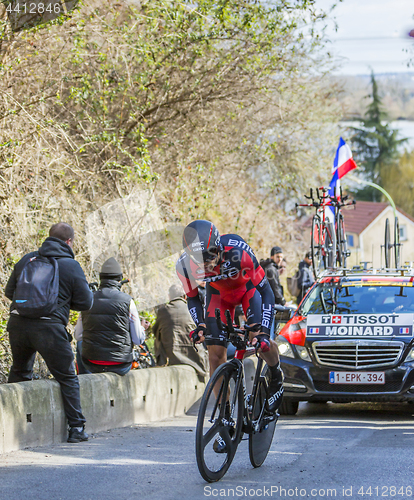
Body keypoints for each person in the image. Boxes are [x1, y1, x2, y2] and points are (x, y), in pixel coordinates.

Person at [176, 220, 284, 452]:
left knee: (260, 341)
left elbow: (266, 292)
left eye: (212, 255)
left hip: (248, 292)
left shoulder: (239, 252)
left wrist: (263, 331)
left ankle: (276, 374)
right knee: (215, 354)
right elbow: (193, 298)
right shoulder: (184, 266)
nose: (208, 263)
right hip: (219, 298)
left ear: (219, 246)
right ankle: (226, 418)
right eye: (201, 260)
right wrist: (201, 325)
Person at [5, 222, 93, 443]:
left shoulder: (28, 259)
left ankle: (9, 422)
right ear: (69, 242)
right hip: (49, 328)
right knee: (67, 377)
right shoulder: (71, 266)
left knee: (20, 371)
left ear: (49, 237)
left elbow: (9, 292)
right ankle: (76, 429)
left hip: (18, 324)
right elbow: (85, 302)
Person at [74, 257, 146, 376]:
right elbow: (138, 339)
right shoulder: (128, 301)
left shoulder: (88, 299)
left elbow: (78, 335)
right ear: (119, 279)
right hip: (120, 365)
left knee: (80, 343)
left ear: (101, 278)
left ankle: (83, 380)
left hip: (91, 363)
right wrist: (142, 328)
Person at [153, 284, 207, 378]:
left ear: (169, 296)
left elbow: (155, 331)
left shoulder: (163, 310)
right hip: (195, 356)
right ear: (185, 296)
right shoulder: (192, 310)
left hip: (171, 357)